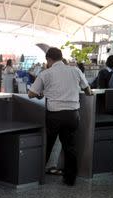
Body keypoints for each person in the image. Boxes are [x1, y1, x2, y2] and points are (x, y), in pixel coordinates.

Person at [28, 47, 92, 186]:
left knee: (47, 145)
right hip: (72, 115)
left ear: (49, 59)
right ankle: (70, 180)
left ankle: (39, 177)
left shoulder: (46, 73)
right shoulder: (75, 70)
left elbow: (31, 94)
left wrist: (43, 92)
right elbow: (88, 90)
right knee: (70, 147)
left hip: (54, 115)